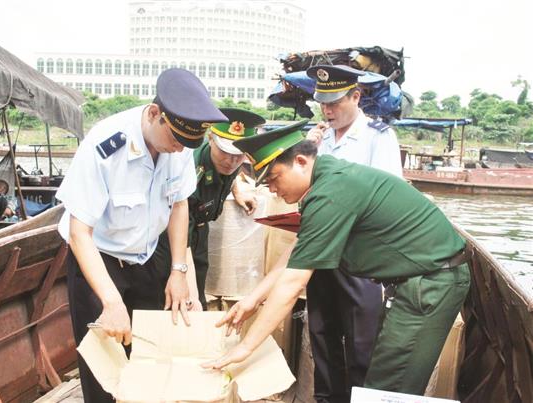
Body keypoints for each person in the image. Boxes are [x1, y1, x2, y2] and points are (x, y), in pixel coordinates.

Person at [203, 121, 470, 397]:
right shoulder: (326, 181)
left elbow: (294, 283)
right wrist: (253, 298)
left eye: (274, 179)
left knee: (390, 387)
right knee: (382, 379)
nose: (271, 189)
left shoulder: (331, 192)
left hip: (430, 284)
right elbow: (298, 250)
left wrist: (246, 347)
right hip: (414, 281)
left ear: (301, 161)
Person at [55, 68, 228, 403]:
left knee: (150, 354)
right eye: (176, 141)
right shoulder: (105, 145)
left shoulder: (178, 145)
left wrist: (179, 271)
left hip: (147, 255)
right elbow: (79, 233)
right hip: (99, 259)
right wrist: (110, 300)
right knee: (103, 366)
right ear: (154, 114)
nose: (180, 151)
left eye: (186, 144)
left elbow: (179, 205)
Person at [299, 64, 404, 402]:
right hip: (323, 252)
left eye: (335, 103)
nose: (327, 111)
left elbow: (390, 200)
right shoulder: (320, 139)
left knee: (362, 345)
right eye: (322, 103)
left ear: (356, 96)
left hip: (361, 259)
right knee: (323, 337)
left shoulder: (378, 136)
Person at [151, 108, 265, 310]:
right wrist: (191, 294)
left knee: (198, 287)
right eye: (225, 152)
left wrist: (237, 191)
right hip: (172, 235)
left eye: (238, 155)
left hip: (200, 229)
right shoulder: (192, 172)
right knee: (179, 300)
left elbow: (231, 172)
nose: (231, 161)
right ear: (210, 139)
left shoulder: (230, 162)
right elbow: (182, 237)